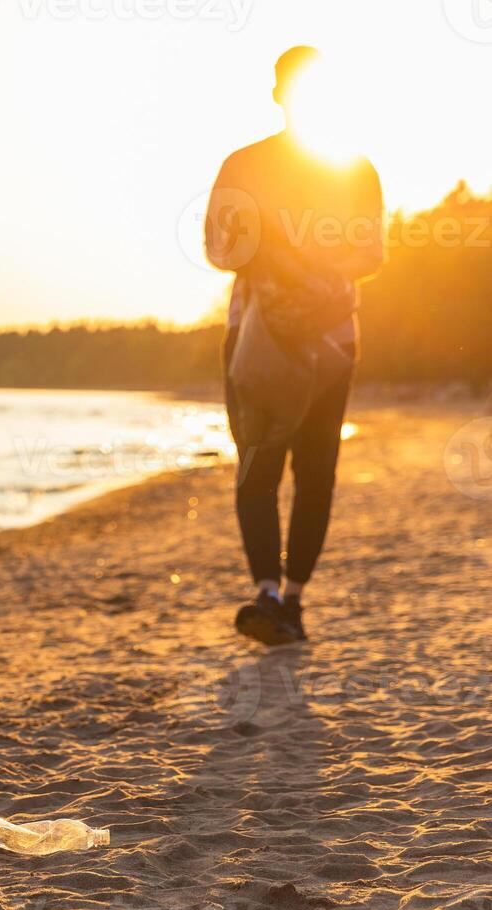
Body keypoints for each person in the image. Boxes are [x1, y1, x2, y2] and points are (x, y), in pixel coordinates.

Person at [204, 47, 384, 644]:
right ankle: (268, 594)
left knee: (316, 472)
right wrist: (267, 252)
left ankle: (293, 599)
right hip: (254, 335)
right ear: (277, 93)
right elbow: (216, 247)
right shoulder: (242, 164)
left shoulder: (355, 169)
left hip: (331, 340)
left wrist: (302, 261)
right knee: (257, 466)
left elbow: (372, 255)